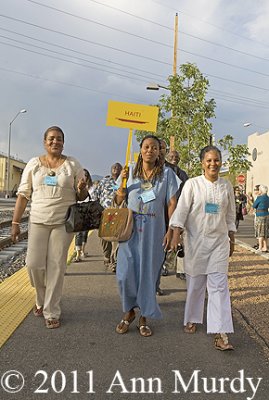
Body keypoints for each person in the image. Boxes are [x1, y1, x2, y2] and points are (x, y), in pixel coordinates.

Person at [11, 126, 88, 329]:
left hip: (63, 223)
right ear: (45, 142)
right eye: (52, 138)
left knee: (56, 267)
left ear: (64, 142)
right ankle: (41, 299)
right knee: (33, 264)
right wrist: (15, 223)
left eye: (60, 139)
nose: (56, 142)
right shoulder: (34, 164)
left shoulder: (72, 164)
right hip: (38, 220)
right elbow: (23, 195)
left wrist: (81, 189)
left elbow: (82, 196)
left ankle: (51, 311)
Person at [169, 145, 236, 351]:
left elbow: (230, 214)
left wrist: (231, 238)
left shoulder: (226, 186)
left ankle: (220, 332)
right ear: (202, 163)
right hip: (196, 242)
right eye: (209, 160)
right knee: (196, 283)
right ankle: (192, 317)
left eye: (216, 160)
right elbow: (181, 211)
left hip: (219, 243)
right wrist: (176, 234)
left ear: (220, 162)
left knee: (218, 286)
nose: (213, 164)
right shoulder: (192, 184)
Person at [114, 135, 179, 337]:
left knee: (149, 276)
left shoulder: (167, 175)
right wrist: (122, 187)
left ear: (159, 151)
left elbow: (171, 204)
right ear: (140, 150)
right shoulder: (129, 171)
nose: (150, 150)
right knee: (124, 274)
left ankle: (144, 317)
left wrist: (172, 230)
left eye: (154, 147)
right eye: (146, 147)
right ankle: (129, 311)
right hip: (130, 230)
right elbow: (117, 200)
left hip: (154, 231)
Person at [91, 162, 122, 272]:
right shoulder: (104, 181)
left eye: (118, 167)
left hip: (119, 214)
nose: (116, 168)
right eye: (114, 167)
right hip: (104, 213)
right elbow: (95, 195)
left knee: (116, 239)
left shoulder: (124, 182)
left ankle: (114, 262)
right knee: (104, 236)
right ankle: (107, 255)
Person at [74, 169, 93, 262]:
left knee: (85, 233)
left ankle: (83, 251)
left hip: (88, 212)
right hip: (78, 211)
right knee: (78, 233)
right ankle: (78, 254)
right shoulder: (76, 186)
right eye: (82, 175)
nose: (84, 176)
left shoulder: (91, 187)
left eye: (85, 175)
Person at [252, 184, 269, 252]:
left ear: (261, 190)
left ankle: (260, 247)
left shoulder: (260, 198)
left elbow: (254, 205)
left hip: (260, 215)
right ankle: (265, 247)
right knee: (265, 232)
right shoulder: (267, 197)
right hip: (266, 215)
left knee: (260, 232)